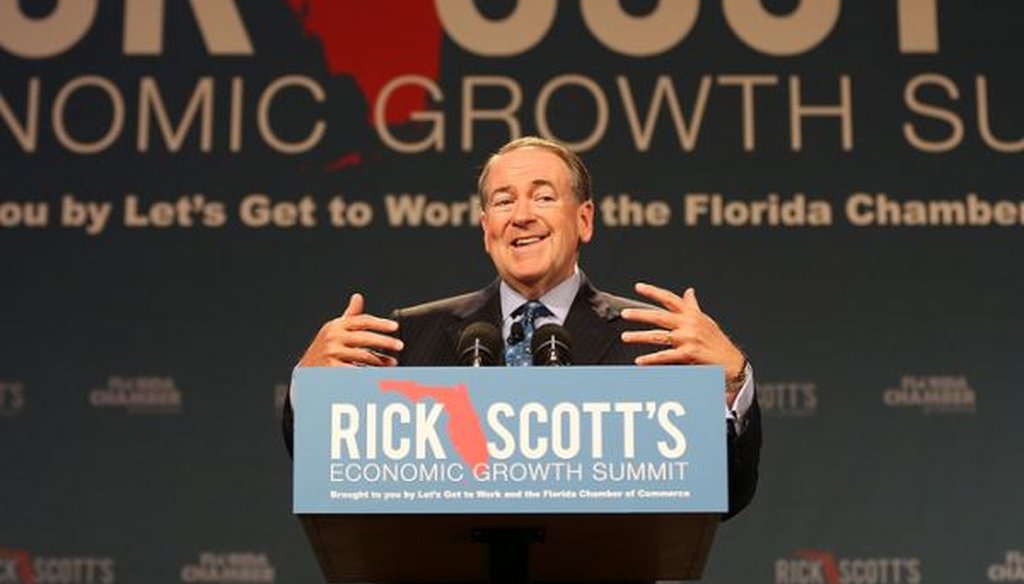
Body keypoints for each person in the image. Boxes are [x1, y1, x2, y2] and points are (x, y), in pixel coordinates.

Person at [285, 136, 760, 518]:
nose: (522, 215)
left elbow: (725, 495)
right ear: (485, 226)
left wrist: (732, 379)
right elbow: (332, 469)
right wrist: (310, 386)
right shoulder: (409, 338)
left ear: (585, 220)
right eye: (503, 201)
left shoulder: (648, 342)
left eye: (544, 196)